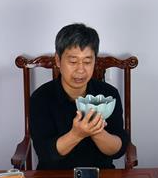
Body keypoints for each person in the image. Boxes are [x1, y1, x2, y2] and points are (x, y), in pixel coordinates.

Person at [29, 23, 130, 170]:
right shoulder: (41, 98)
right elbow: (45, 154)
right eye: (73, 61)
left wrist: (96, 131)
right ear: (58, 60)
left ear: (95, 61)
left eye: (87, 61)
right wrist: (77, 134)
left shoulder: (108, 95)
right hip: (54, 177)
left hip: (100, 176)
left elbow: (118, 150)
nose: (81, 70)